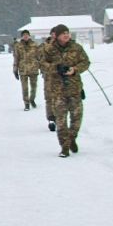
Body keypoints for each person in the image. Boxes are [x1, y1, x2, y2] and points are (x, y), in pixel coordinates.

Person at [38, 24, 91, 157]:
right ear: (57, 35)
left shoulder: (76, 48)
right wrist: (56, 68)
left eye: (67, 32)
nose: (66, 35)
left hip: (74, 88)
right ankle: (64, 147)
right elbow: (42, 65)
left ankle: (72, 137)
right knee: (61, 121)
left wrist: (74, 69)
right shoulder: (49, 49)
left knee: (77, 119)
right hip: (57, 90)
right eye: (63, 33)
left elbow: (86, 62)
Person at [11, 30, 39, 111]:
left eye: (27, 35)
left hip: (34, 68)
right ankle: (26, 103)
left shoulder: (34, 45)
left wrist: (42, 68)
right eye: (24, 35)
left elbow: (39, 57)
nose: (26, 36)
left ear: (29, 36)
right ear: (22, 36)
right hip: (23, 69)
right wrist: (15, 70)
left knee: (34, 87)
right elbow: (16, 58)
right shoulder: (18, 46)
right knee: (24, 88)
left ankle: (32, 99)